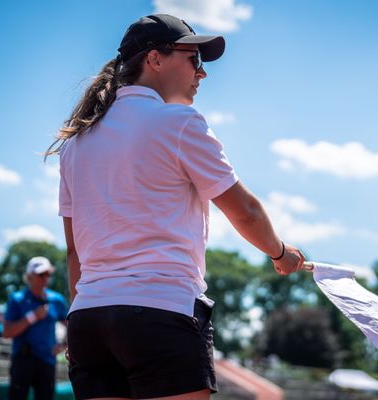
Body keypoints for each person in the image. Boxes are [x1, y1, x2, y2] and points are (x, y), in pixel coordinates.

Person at [48, 14, 305, 400]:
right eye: (193, 59)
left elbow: (73, 252)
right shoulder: (178, 122)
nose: (201, 74)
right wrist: (281, 253)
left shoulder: (75, 145)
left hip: (89, 320)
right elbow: (245, 211)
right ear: (155, 59)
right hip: (160, 312)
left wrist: (80, 316)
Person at [3, 256, 68, 400]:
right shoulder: (17, 299)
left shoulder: (57, 300)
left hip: (47, 362)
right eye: (41, 274)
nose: (45, 278)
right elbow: (7, 332)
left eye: (48, 274)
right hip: (22, 361)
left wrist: (64, 345)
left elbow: (71, 325)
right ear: (29, 276)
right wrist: (33, 316)